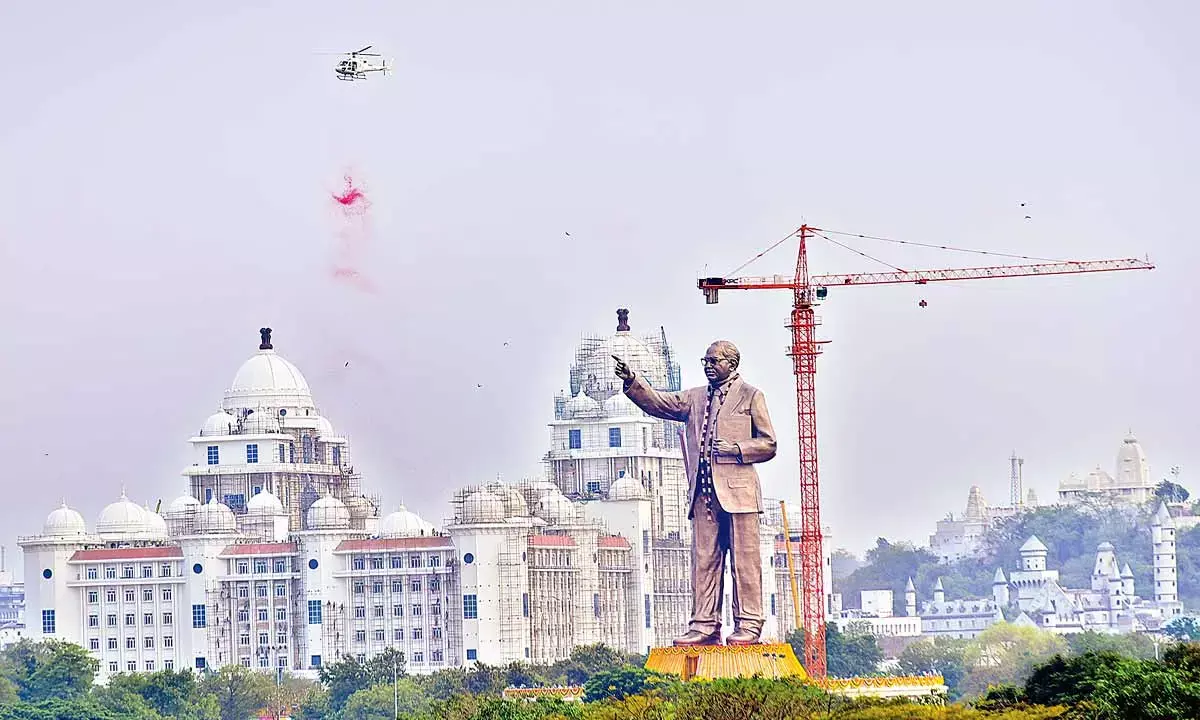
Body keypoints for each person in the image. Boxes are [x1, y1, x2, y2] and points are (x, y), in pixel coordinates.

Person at [614, 340, 777, 646]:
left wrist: (737, 449)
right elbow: (659, 403)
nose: (708, 365)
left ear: (732, 364)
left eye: (715, 361)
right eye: (705, 360)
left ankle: (749, 624)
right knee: (704, 560)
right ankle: (704, 625)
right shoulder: (694, 397)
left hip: (740, 495)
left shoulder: (751, 396)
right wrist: (633, 381)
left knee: (745, 562)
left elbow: (769, 444)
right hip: (703, 494)